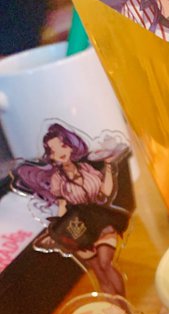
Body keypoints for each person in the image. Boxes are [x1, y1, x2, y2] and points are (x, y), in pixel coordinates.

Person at [12, 123, 131, 296]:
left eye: (63, 145)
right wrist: (63, 230)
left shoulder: (86, 168)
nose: (60, 152)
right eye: (54, 150)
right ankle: (119, 309)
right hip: (79, 227)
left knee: (106, 263)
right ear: (51, 156)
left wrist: (108, 166)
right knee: (99, 272)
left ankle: (123, 301)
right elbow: (62, 205)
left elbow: (105, 192)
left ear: (70, 146)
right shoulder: (57, 180)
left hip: (100, 219)